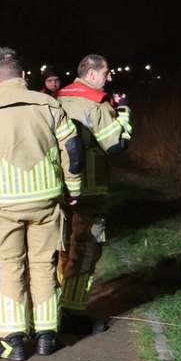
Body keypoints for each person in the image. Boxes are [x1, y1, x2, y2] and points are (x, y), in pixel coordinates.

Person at [0, 54, 83, 361]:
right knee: (43, 267)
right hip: (46, 203)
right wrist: (74, 189)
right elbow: (73, 149)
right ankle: (46, 336)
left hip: (5, 207)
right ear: (24, 75)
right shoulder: (50, 105)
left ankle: (12, 341)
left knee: (7, 270)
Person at [56, 54, 133, 334]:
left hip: (58, 188)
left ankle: (53, 308)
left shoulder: (56, 99)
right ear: (91, 75)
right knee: (87, 248)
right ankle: (73, 312)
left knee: (60, 247)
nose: (109, 78)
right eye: (106, 73)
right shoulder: (97, 103)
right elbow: (116, 145)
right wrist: (124, 110)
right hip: (90, 189)